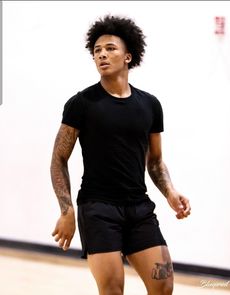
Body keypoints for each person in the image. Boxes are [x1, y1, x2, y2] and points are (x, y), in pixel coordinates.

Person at [50, 15, 191, 295]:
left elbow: (155, 161)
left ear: (128, 56)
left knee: (163, 286)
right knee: (113, 289)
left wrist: (170, 193)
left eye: (110, 48)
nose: (102, 54)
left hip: (139, 209)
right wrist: (66, 210)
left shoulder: (150, 105)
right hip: (98, 209)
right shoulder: (81, 104)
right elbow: (58, 159)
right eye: (97, 51)